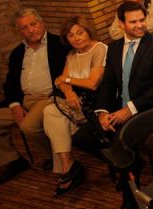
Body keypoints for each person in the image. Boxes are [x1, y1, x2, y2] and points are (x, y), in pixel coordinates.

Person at [89, 1, 153, 209]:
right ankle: (129, 164)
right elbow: (107, 83)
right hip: (120, 108)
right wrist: (103, 111)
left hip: (151, 109)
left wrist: (130, 109)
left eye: (141, 20)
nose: (139, 25)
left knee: (120, 141)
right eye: (133, 21)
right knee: (83, 137)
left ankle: (130, 200)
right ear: (121, 23)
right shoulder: (115, 48)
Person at [0, 9, 70, 184]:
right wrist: (15, 105)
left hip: (48, 98)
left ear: (42, 23)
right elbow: (10, 83)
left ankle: (60, 157)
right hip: (23, 100)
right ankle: (13, 161)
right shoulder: (17, 53)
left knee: (28, 126)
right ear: (19, 32)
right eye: (24, 28)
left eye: (33, 24)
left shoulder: (60, 44)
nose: (31, 30)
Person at [42, 17, 107, 195]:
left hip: (96, 103)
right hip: (76, 101)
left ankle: (69, 166)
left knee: (54, 119)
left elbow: (93, 83)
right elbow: (58, 82)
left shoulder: (99, 49)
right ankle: (67, 163)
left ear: (88, 32)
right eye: (71, 35)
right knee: (49, 111)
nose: (76, 38)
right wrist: (69, 91)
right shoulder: (71, 54)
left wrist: (67, 80)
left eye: (80, 33)